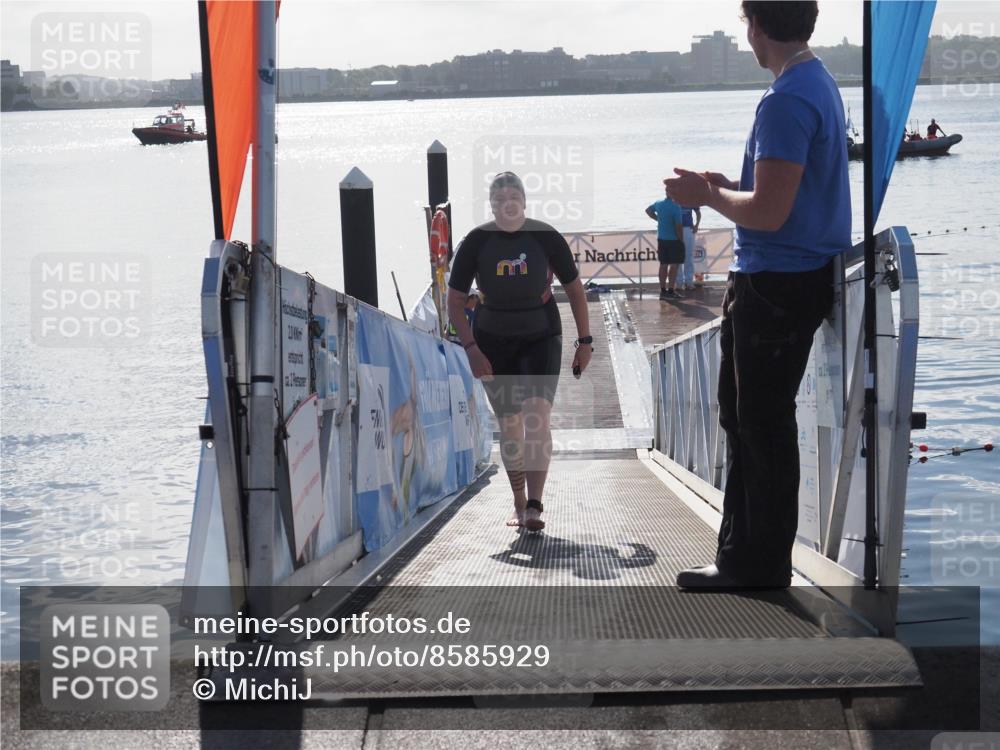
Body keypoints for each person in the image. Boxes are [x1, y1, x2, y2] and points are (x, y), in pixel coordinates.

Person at [664, 0, 850, 588]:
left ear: (757, 26)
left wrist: (706, 196)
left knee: (759, 424)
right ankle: (749, 557)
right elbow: (779, 195)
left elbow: (769, 213)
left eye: (745, 21)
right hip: (794, 277)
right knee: (750, 419)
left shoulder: (786, 99)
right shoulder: (816, 83)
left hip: (775, 283)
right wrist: (727, 187)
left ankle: (756, 564)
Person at [447, 172, 593, 532]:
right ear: (492, 205)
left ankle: (535, 504)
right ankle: (517, 502)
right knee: (510, 424)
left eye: (515, 197)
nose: (508, 203)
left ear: (525, 202)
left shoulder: (545, 237)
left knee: (537, 417)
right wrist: (471, 348)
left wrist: (585, 341)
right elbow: (453, 303)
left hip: (541, 333)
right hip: (491, 338)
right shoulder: (476, 242)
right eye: (500, 199)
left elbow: (575, 291)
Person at [645, 188, 685, 300]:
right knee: (674, 265)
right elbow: (678, 227)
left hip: (661, 239)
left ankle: (663, 291)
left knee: (663, 265)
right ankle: (671, 291)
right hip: (674, 240)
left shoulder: (659, 203)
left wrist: (658, 219)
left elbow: (648, 210)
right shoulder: (676, 206)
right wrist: (681, 241)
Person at [678, 204, 702, 290]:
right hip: (676, 229)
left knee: (689, 256)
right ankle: (678, 283)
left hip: (688, 229)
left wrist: (696, 225)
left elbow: (698, 213)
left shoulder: (690, 199)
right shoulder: (673, 199)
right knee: (677, 257)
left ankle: (689, 282)